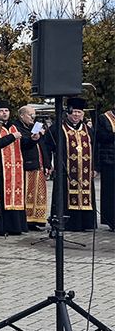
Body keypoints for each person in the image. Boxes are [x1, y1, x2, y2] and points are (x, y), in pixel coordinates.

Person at [45, 98, 96, 232]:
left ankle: (85, 223)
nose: (76, 115)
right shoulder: (58, 128)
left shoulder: (88, 130)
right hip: (64, 171)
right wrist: (48, 164)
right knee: (64, 196)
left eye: (79, 112)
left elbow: (95, 148)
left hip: (85, 171)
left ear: (83, 114)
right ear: (67, 113)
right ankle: (67, 223)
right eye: (73, 112)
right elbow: (46, 146)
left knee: (85, 194)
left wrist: (96, 167)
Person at [0, 101, 27, 236]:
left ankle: (17, 226)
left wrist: (34, 139)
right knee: (3, 195)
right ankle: (3, 227)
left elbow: (24, 144)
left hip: (17, 168)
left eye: (6, 110)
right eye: (1, 111)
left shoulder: (14, 127)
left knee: (17, 194)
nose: (4, 113)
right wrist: (12, 137)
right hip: (1, 169)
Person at [14, 105, 48, 231]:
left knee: (37, 195)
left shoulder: (34, 127)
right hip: (27, 165)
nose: (33, 117)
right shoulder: (17, 127)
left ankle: (35, 220)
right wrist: (34, 139)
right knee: (28, 195)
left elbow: (43, 147)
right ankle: (27, 221)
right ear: (22, 115)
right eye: (30, 115)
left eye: (34, 114)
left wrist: (47, 163)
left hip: (38, 165)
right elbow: (25, 144)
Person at [97, 104, 115, 232]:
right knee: (110, 192)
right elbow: (102, 137)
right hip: (109, 160)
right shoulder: (104, 118)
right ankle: (111, 220)